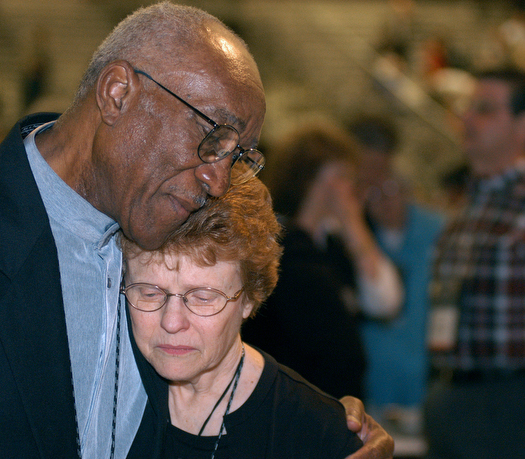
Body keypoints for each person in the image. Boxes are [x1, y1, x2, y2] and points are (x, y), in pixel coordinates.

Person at [0, 3, 393, 458]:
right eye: (212, 139)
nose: (218, 179)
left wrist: (325, 430)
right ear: (118, 93)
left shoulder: (162, 235)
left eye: (238, 155)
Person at [120, 177, 364, 458]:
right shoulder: (94, 392)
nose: (172, 322)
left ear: (249, 298)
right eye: (150, 293)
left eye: (203, 297)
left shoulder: (315, 433)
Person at [243, 119, 403, 400]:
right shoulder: (277, 247)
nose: (352, 188)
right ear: (311, 179)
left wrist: (352, 223)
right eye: (343, 176)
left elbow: (385, 302)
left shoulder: (332, 248)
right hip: (290, 404)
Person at [425, 67, 525, 458]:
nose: (467, 119)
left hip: (509, 402)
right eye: (468, 108)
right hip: (451, 396)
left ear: (521, 125)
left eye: (484, 109)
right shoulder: (466, 208)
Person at [349, 114, 445, 434]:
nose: (384, 200)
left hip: (427, 381)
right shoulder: (358, 239)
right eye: (373, 191)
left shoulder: (439, 233)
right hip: (373, 384)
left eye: (391, 188)